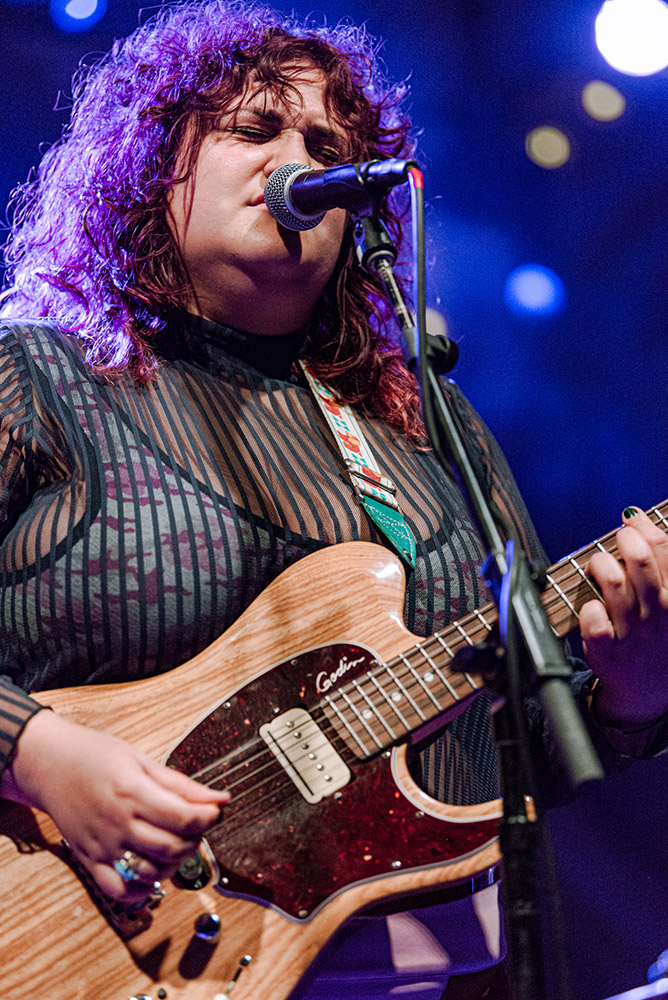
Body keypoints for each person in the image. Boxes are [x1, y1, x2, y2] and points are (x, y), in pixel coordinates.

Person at [0, 2, 666, 998]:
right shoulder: (34, 377)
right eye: (256, 128)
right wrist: (38, 751)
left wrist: (632, 690)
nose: (299, 160)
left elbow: (505, 758)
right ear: (152, 165)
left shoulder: (418, 427)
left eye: (326, 146)